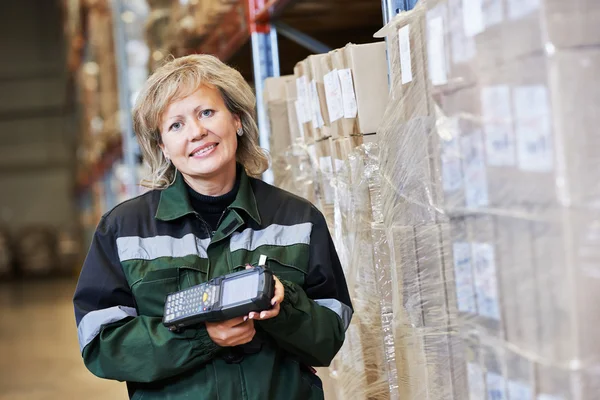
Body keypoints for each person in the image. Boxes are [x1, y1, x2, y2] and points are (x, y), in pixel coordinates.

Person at [73, 54, 353, 400]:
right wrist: (203, 336)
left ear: (236, 119)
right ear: (163, 146)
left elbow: (328, 338)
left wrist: (285, 306)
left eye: (206, 113)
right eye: (176, 125)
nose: (197, 132)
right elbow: (102, 344)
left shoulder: (298, 218)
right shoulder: (123, 230)